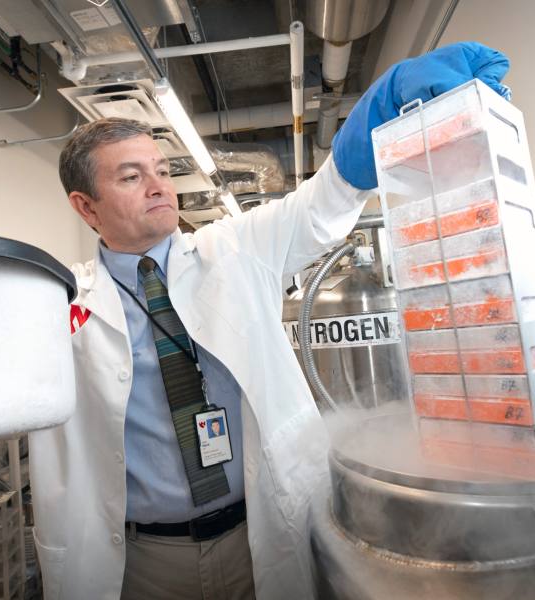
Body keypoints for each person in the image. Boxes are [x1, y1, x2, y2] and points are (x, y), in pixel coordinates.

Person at [28, 41, 510, 600]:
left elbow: (320, 203)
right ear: (86, 207)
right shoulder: (56, 300)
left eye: (162, 170)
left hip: (254, 538)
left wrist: (377, 117)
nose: (160, 186)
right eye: (131, 177)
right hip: (140, 561)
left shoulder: (235, 248)